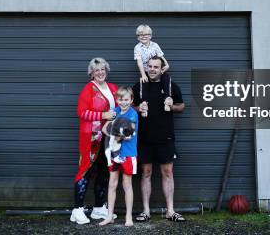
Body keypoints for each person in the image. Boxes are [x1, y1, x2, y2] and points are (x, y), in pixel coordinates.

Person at [133, 56, 186, 222]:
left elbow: (181, 106)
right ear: (146, 67)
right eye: (150, 66)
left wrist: (172, 106)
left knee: (167, 173)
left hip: (165, 137)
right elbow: (128, 106)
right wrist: (137, 108)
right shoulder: (139, 86)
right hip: (144, 137)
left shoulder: (170, 86)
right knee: (146, 173)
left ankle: (170, 211)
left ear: (162, 68)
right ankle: (146, 211)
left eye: (156, 66)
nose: (152, 69)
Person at [70, 57, 118, 225]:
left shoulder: (113, 88)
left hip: (109, 137)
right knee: (85, 171)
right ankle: (77, 210)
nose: (100, 72)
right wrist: (103, 115)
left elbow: (122, 106)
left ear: (106, 70)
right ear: (91, 73)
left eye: (103, 69)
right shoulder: (88, 89)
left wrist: (137, 108)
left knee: (104, 172)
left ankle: (99, 208)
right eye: (96, 70)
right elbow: (82, 113)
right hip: (91, 137)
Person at [99, 86, 138, 227]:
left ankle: (128, 217)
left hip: (128, 154)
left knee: (127, 184)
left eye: (126, 99)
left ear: (131, 100)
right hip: (114, 154)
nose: (123, 102)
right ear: (117, 99)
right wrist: (114, 136)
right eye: (120, 99)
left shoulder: (133, 114)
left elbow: (128, 136)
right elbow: (104, 129)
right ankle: (109, 216)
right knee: (112, 184)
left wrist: (115, 134)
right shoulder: (114, 111)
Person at [134, 24, 171, 93]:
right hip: (146, 70)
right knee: (144, 82)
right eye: (141, 35)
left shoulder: (155, 45)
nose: (143, 36)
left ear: (150, 36)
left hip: (157, 70)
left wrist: (167, 65)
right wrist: (143, 74)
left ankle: (167, 96)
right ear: (138, 37)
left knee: (166, 78)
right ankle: (144, 101)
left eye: (146, 34)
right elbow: (139, 62)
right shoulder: (137, 48)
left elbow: (160, 56)